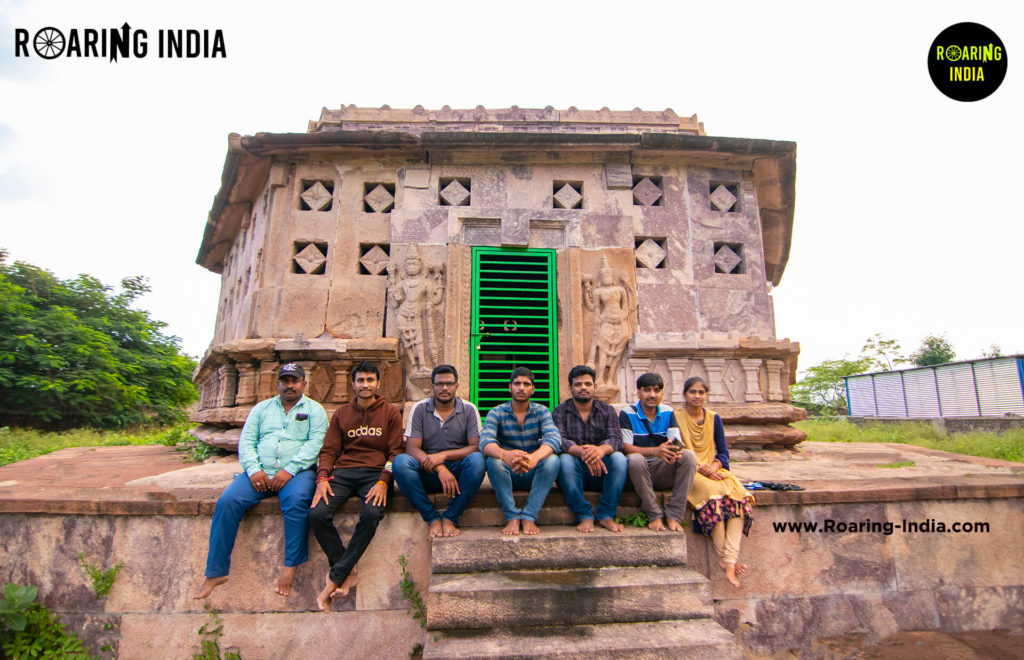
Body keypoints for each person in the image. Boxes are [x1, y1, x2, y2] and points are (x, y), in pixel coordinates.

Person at [194, 363, 327, 599]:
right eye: (285, 381)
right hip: (260, 471)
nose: (290, 385)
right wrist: (254, 470)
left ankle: (290, 567)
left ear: (304, 384)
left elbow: (315, 445)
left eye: (295, 381)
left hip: (296, 472)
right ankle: (216, 571)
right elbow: (246, 442)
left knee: (297, 503)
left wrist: (289, 470)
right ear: (277, 384)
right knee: (227, 502)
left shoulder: (315, 410)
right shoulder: (261, 409)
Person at [309, 361, 403, 611]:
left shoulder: (391, 412)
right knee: (317, 513)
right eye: (360, 380)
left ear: (378, 384)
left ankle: (334, 578)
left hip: (374, 473)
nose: (365, 385)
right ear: (353, 384)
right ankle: (345, 571)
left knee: (372, 514)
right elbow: (329, 450)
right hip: (344, 473)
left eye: (370, 380)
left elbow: (396, 454)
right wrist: (322, 478)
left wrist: (384, 481)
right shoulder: (342, 414)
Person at [677, 376, 754, 588]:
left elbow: (723, 452)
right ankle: (728, 559)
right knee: (714, 500)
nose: (697, 396)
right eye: (693, 392)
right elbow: (678, 449)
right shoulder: (676, 417)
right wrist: (703, 468)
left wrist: (715, 466)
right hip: (692, 471)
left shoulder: (713, 418)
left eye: (701, 392)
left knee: (738, 500)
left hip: (715, 470)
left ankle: (727, 560)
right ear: (684, 394)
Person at [393, 364, 485, 538]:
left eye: (449, 384)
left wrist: (443, 456)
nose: (444, 388)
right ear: (432, 386)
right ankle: (432, 518)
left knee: (478, 461)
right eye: (439, 384)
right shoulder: (419, 409)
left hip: (457, 475)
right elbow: (412, 447)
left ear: (456, 386)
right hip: (426, 470)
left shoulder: (469, 409)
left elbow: (475, 446)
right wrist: (439, 467)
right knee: (400, 463)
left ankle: (451, 517)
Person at [479, 367, 561, 536]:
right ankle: (512, 516)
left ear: (533, 389)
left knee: (553, 460)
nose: (521, 388)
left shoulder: (542, 411)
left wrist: (534, 458)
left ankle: (530, 515)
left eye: (526, 384)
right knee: (493, 461)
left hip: (533, 473)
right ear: (509, 387)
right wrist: (505, 455)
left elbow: (554, 439)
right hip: (508, 472)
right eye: (517, 383)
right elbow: (485, 442)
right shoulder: (497, 412)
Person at [552, 365, 627, 533]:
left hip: (603, 468)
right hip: (574, 470)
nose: (583, 388)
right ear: (570, 388)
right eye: (578, 384)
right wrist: (584, 453)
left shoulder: (607, 411)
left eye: (587, 383)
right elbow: (558, 440)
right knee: (563, 460)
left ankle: (606, 514)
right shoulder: (559, 412)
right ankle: (584, 514)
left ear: (595, 386)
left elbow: (616, 439)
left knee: (620, 459)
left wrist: (600, 451)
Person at [621, 372, 698, 532]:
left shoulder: (667, 412)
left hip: (662, 469)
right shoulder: (627, 413)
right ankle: (654, 514)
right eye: (647, 390)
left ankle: (674, 514)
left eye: (657, 390)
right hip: (637, 473)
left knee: (688, 457)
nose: (652, 395)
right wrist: (655, 451)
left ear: (662, 393)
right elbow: (626, 447)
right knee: (635, 459)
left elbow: (675, 443)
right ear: (638, 393)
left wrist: (673, 452)